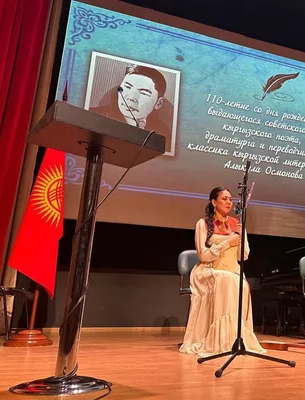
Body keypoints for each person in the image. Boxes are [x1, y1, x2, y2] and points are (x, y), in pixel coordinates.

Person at [179, 186, 266, 357]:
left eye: (230, 199)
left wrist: (241, 238)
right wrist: (227, 243)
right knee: (225, 280)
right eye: (224, 199)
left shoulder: (237, 225)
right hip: (208, 270)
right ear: (214, 202)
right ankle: (218, 340)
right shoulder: (203, 223)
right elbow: (203, 255)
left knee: (241, 284)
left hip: (232, 269)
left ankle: (233, 338)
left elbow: (243, 256)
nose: (228, 202)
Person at [89, 64, 171, 152]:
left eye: (143, 93)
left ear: (159, 103)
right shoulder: (92, 116)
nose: (131, 98)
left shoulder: (162, 131)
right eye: (127, 87)